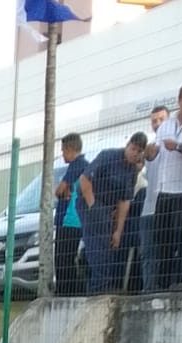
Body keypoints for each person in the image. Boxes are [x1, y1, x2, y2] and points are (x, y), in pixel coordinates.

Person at [77, 132, 147, 295]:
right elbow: (84, 179)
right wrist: (92, 205)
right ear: (127, 145)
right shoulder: (108, 156)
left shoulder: (132, 171)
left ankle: (102, 285)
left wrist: (118, 231)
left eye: (138, 151)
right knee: (97, 243)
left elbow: (124, 202)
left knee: (109, 243)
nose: (134, 153)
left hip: (108, 208)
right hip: (90, 200)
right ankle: (99, 288)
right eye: (133, 148)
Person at [148, 83, 182, 291]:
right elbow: (154, 154)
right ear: (180, 100)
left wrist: (178, 146)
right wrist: (149, 152)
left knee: (180, 238)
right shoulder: (165, 126)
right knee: (162, 240)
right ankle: (163, 283)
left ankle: (178, 281)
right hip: (164, 190)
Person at [138, 106, 170, 292]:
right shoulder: (150, 148)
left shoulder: (174, 144)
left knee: (166, 249)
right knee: (148, 252)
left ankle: (164, 287)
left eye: (161, 119)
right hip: (149, 208)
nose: (157, 123)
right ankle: (148, 289)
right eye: (154, 120)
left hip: (168, 206)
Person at [53, 132, 88, 296]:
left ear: (70, 148)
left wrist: (62, 190)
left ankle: (65, 293)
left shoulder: (76, 165)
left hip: (69, 220)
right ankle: (69, 292)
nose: (62, 154)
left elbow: (59, 190)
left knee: (63, 259)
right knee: (68, 259)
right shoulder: (84, 165)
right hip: (77, 219)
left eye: (63, 150)